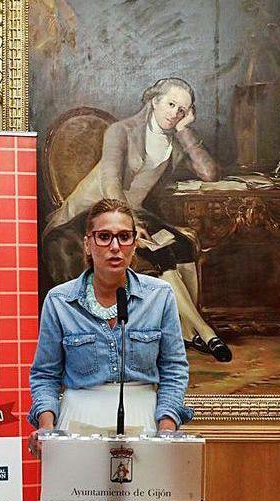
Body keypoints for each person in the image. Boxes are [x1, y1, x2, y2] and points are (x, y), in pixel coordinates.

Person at [28, 198, 192, 501]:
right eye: (104, 236)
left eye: (124, 236)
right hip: (79, 430)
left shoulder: (159, 297)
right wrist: (47, 427)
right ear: (87, 244)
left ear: (136, 242)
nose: (115, 246)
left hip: (143, 432)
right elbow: (44, 375)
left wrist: (165, 429)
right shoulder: (59, 301)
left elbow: (174, 370)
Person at [43, 77, 232, 362]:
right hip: (94, 212)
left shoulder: (174, 139)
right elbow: (110, 183)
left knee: (181, 245)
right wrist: (129, 224)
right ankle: (205, 331)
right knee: (161, 252)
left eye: (183, 110)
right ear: (154, 101)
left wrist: (185, 131)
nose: (174, 113)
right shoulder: (121, 131)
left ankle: (185, 330)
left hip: (131, 211)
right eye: (170, 104)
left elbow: (210, 174)